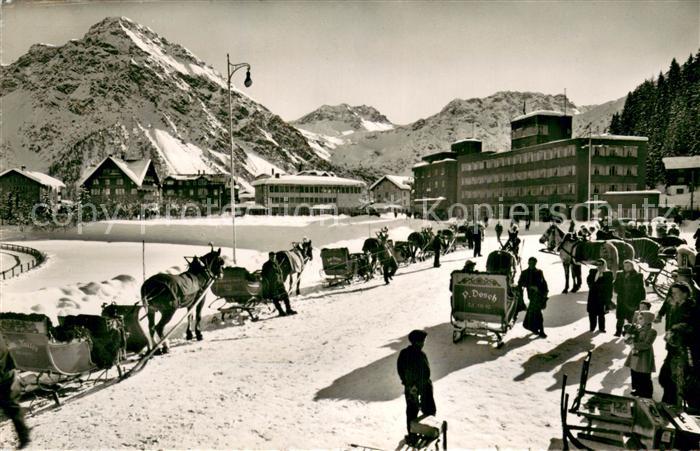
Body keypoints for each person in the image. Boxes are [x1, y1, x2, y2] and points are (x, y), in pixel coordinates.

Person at [658, 282, 695, 407]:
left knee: (678, 379)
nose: (673, 295)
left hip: (685, 349)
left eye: (676, 293)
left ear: (685, 294)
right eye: (672, 293)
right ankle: (668, 402)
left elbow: (693, 327)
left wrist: (676, 329)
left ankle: (675, 405)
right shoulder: (673, 305)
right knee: (666, 377)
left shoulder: (692, 307)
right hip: (673, 347)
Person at [397, 330, 436, 446]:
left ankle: (412, 435)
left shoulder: (404, 353)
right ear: (418, 342)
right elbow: (426, 373)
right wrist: (418, 385)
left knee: (411, 412)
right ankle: (428, 432)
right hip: (424, 387)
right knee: (429, 410)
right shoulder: (421, 355)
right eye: (423, 341)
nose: (424, 343)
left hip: (410, 389)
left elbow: (400, 370)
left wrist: (408, 384)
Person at [1, 334, 31, 449]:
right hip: (6, 375)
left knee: (12, 408)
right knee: (11, 408)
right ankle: (24, 436)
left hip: (5, 377)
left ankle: (25, 437)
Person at [623, 309, 657, 398]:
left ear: (647, 320)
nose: (638, 320)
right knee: (635, 372)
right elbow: (631, 338)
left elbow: (647, 344)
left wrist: (633, 344)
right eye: (638, 318)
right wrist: (628, 338)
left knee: (644, 375)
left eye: (641, 318)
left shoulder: (652, 331)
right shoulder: (638, 328)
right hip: (635, 355)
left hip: (644, 356)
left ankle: (647, 394)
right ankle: (637, 390)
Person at [518, 257, 549, 338]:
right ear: (528, 263)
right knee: (537, 313)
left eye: (533, 263)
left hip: (540, 295)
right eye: (530, 263)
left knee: (536, 313)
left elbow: (544, 283)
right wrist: (530, 286)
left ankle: (535, 329)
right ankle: (539, 330)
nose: (532, 264)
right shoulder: (524, 273)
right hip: (532, 296)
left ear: (536, 263)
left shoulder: (539, 272)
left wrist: (546, 293)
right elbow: (520, 283)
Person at [613, 260, 645, 337]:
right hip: (621, 300)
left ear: (632, 266)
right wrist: (617, 289)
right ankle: (618, 331)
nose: (626, 268)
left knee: (631, 319)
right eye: (625, 266)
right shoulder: (619, 274)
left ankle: (629, 333)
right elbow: (615, 285)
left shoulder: (638, 275)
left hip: (633, 300)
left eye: (628, 266)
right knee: (620, 318)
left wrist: (642, 301)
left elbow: (642, 290)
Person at [261, 251, 296, 316]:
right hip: (272, 285)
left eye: (274, 257)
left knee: (285, 296)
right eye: (272, 257)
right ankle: (281, 311)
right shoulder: (266, 265)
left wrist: (282, 280)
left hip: (280, 283)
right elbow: (263, 276)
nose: (273, 258)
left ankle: (288, 309)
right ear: (269, 257)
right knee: (275, 299)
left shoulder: (276, 263)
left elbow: (280, 272)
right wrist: (267, 286)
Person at [586, 259, 613, 333]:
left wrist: (609, 298)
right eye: (597, 264)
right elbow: (588, 280)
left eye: (601, 264)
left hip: (602, 297)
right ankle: (592, 327)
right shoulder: (592, 271)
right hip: (592, 295)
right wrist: (591, 286)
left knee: (601, 314)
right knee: (592, 313)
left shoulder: (608, 273)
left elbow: (609, 287)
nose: (599, 266)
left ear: (604, 264)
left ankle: (601, 328)